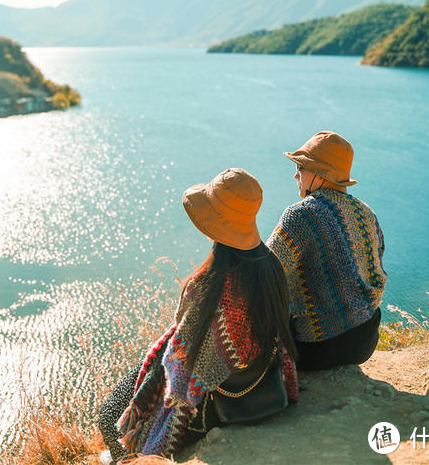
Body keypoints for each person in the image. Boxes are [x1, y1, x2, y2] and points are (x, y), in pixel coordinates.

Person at [97, 168, 298, 463]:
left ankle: (122, 459)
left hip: (209, 406)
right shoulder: (272, 267)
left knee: (108, 416)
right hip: (257, 384)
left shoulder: (210, 285)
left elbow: (179, 369)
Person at [267, 131, 386, 371]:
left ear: (319, 175)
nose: (296, 174)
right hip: (366, 338)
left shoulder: (300, 215)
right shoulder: (366, 212)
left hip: (317, 348)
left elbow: (267, 270)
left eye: (301, 167)